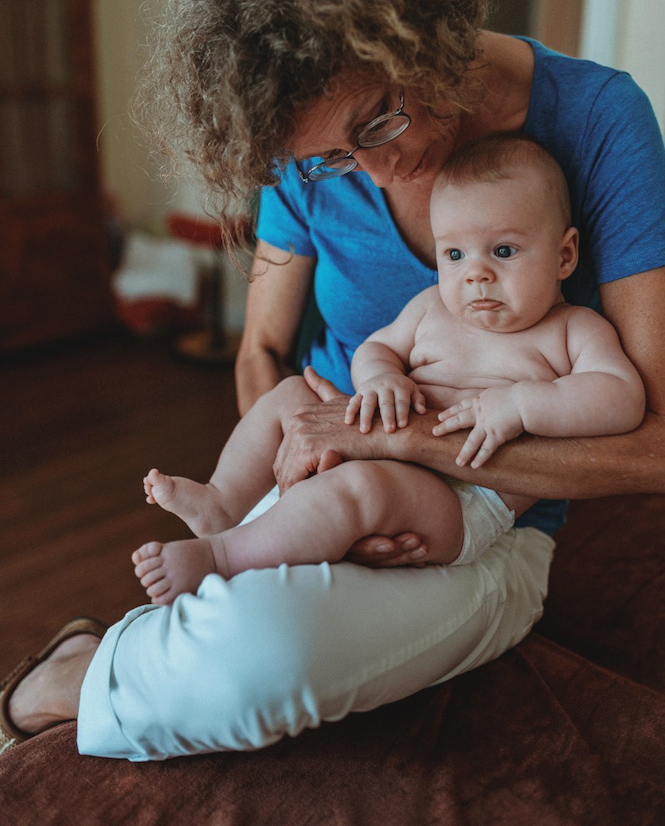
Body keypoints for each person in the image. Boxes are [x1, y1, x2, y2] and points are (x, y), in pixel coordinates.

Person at [1, 0, 664, 762]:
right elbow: (263, 351)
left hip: (477, 524)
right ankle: (140, 637)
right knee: (242, 609)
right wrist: (293, 473)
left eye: (377, 120)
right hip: (331, 456)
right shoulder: (307, 150)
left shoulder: (597, 121)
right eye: (330, 159)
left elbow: (653, 444)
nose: (376, 170)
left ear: (419, 32)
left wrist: (404, 448)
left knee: (261, 656)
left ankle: (71, 676)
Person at [131, 135, 645, 605]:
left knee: (363, 489)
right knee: (290, 394)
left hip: (461, 496)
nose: (476, 273)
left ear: (565, 255)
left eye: (504, 251)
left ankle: (224, 557)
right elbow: (376, 348)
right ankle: (225, 502)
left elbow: (622, 396)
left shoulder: (573, 329)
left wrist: (521, 404)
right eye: (455, 254)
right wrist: (382, 378)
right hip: (379, 441)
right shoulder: (430, 307)